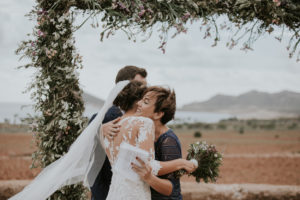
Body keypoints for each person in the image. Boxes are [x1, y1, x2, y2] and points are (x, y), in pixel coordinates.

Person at [89, 65, 148, 200]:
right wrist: (99, 130)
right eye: (140, 84)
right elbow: (93, 161)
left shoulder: (142, 117)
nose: (146, 89)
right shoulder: (105, 117)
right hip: (108, 191)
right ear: (124, 87)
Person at [133, 86, 183, 199]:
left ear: (158, 114)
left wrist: (149, 178)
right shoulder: (143, 133)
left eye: (145, 102)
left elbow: (170, 189)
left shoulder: (168, 141)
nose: (138, 103)